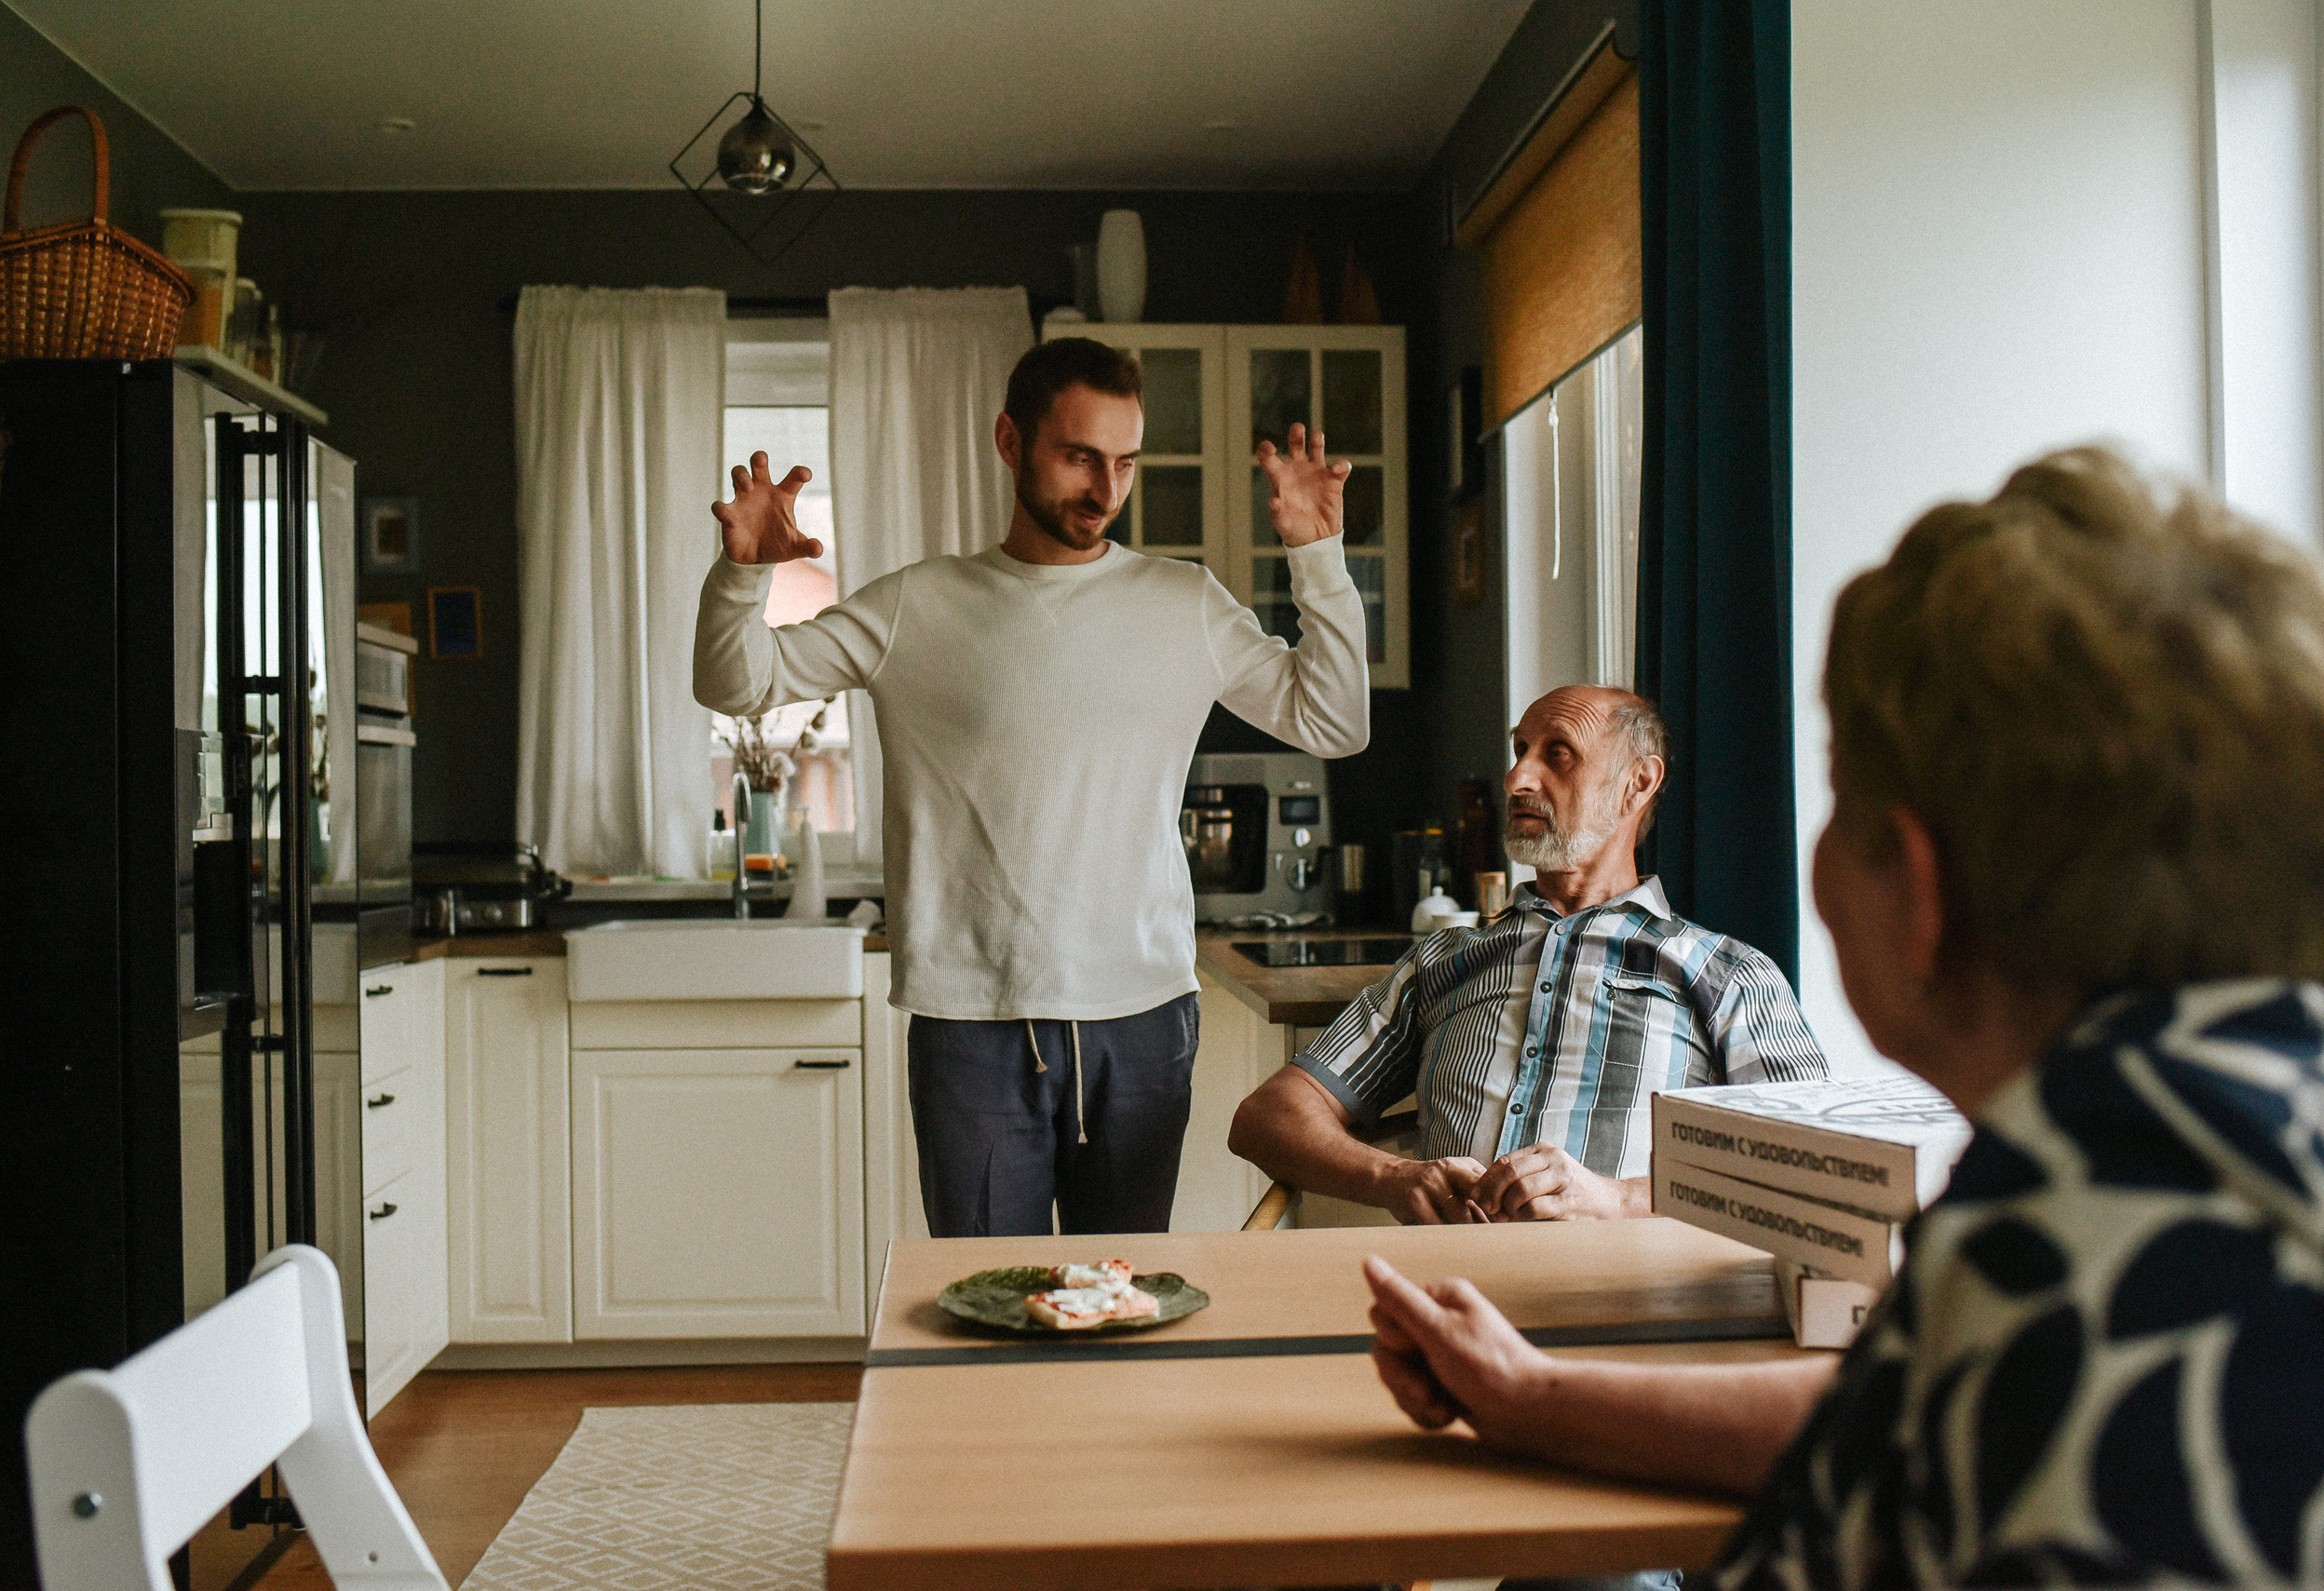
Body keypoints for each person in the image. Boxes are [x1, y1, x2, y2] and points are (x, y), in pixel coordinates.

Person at [1359, 446, 2324, 1586]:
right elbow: (1903, 1405)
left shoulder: (2079, 1247)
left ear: (1917, 887)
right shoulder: (2169, 1146)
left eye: (1840, 795)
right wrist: (1533, 1397)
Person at [694, 337, 1370, 1238]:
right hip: (969, 1016)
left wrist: (1318, 554)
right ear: (1012, 441)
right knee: (982, 1301)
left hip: (1141, 1015)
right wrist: (744, 573)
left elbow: (1332, 723)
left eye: (1124, 462)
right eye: (1079, 455)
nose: (1104, 489)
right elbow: (736, 684)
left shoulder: (1185, 603)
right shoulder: (914, 604)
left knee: (1118, 1299)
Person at [1227, 685, 1827, 1224]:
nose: (1517, 779)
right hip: (1448, 1300)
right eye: (1519, 751)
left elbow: (1818, 1164)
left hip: (1633, 1305)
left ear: (1637, 783)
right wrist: (1394, 1178)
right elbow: (1266, 1118)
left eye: (1557, 753)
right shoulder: (1444, 960)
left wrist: (1617, 1200)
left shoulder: (1728, 973)